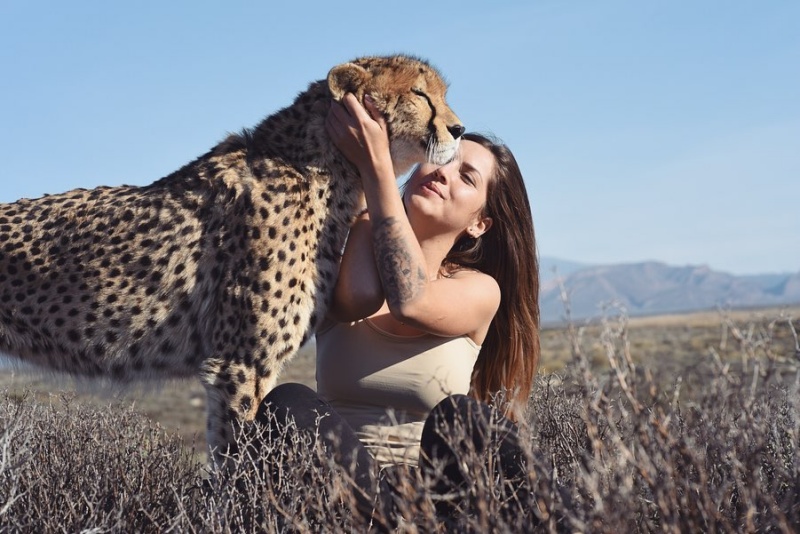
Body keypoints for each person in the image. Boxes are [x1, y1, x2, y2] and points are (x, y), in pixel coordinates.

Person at [254, 93, 541, 528]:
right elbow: (365, 296)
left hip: (437, 504)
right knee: (288, 401)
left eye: (466, 177)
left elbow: (411, 300)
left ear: (479, 224)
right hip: (348, 503)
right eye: (441, 157)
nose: (444, 174)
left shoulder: (480, 291)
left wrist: (377, 168)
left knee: (465, 418)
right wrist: (374, 183)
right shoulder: (344, 254)